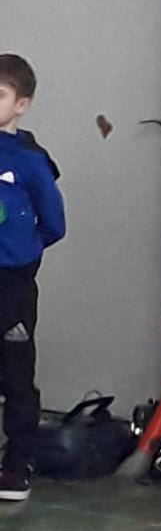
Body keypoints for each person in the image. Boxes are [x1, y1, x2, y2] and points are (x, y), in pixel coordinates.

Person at [0, 53, 65, 501]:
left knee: (15, 370)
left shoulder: (29, 160)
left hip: (12, 283)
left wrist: (20, 251)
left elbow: (53, 224)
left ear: (21, 104)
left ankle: (16, 463)